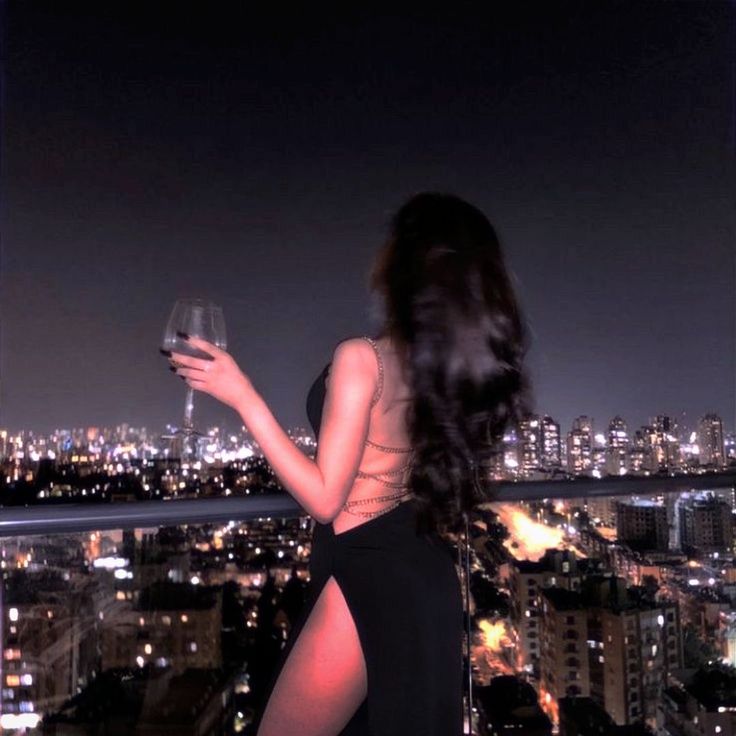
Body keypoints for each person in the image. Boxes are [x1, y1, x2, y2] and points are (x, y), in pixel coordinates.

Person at [166, 191, 532, 735]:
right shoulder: (445, 370)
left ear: (404, 265)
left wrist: (241, 395)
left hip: (366, 573)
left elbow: (324, 499)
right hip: (423, 571)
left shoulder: (364, 358)